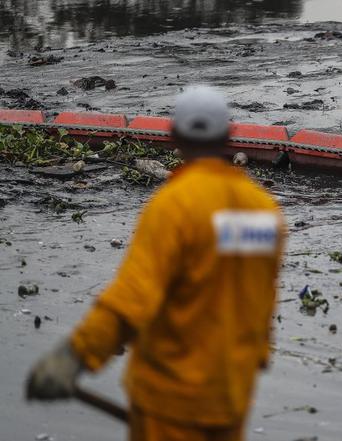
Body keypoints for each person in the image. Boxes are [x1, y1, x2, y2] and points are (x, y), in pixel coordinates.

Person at [26, 86, 285, 441]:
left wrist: (74, 357)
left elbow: (133, 298)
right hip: (229, 396)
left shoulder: (173, 206)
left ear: (174, 135)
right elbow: (258, 298)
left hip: (170, 400)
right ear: (228, 135)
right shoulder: (263, 211)